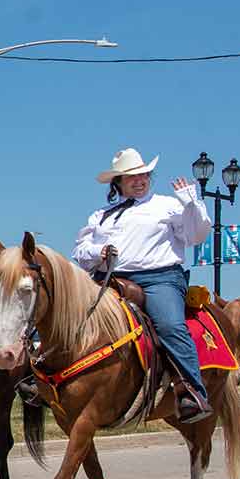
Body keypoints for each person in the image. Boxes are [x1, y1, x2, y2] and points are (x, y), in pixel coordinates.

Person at [71, 148, 213, 423]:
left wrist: (192, 204)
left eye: (144, 174)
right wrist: (98, 251)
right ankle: (41, 377)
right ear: (118, 182)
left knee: (170, 325)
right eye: (132, 176)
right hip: (110, 279)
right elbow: (80, 249)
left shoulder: (169, 205)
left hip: (159, 278)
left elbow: (197, 235)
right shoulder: (101, 215)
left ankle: (192, 392)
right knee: (70, 316)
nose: (140, 180)